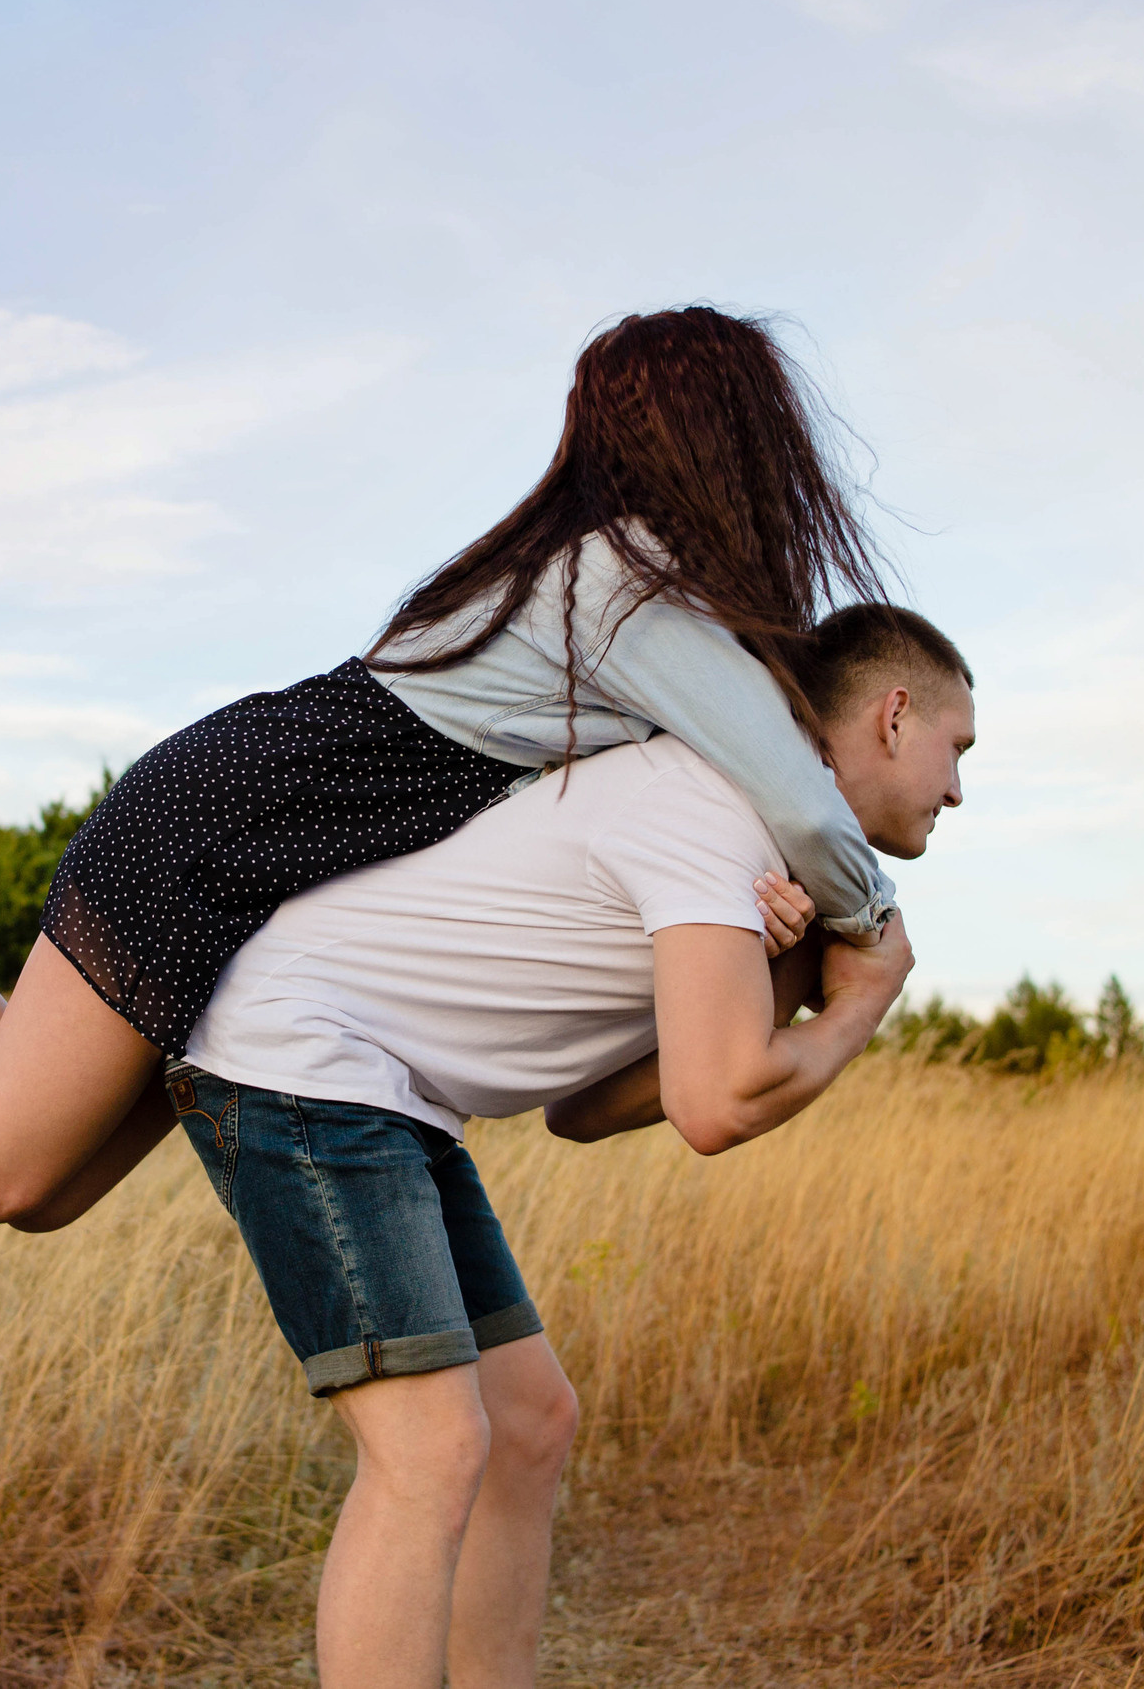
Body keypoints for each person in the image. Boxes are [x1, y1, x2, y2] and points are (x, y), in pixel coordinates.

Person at [0, 307, 901, 1483]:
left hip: (261, 848)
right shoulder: (626, 584)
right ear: (733, 442)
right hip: (220, 834)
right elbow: (797, 792)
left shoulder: (591, 578)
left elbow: (709, 807)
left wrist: (765, 913)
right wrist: (869, 930)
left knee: (23, 1172)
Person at [162, 603, 970, 1688]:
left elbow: (583, 1110)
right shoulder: (711, 812)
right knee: (429, 1452)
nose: (957, 790)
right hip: (305, 1059)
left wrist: (784, 986)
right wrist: (859, 1004)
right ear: (893, 713)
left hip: (392, 1094)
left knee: (528, 1422)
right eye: (954, 752)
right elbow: (716, 1109)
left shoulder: (746, 845)